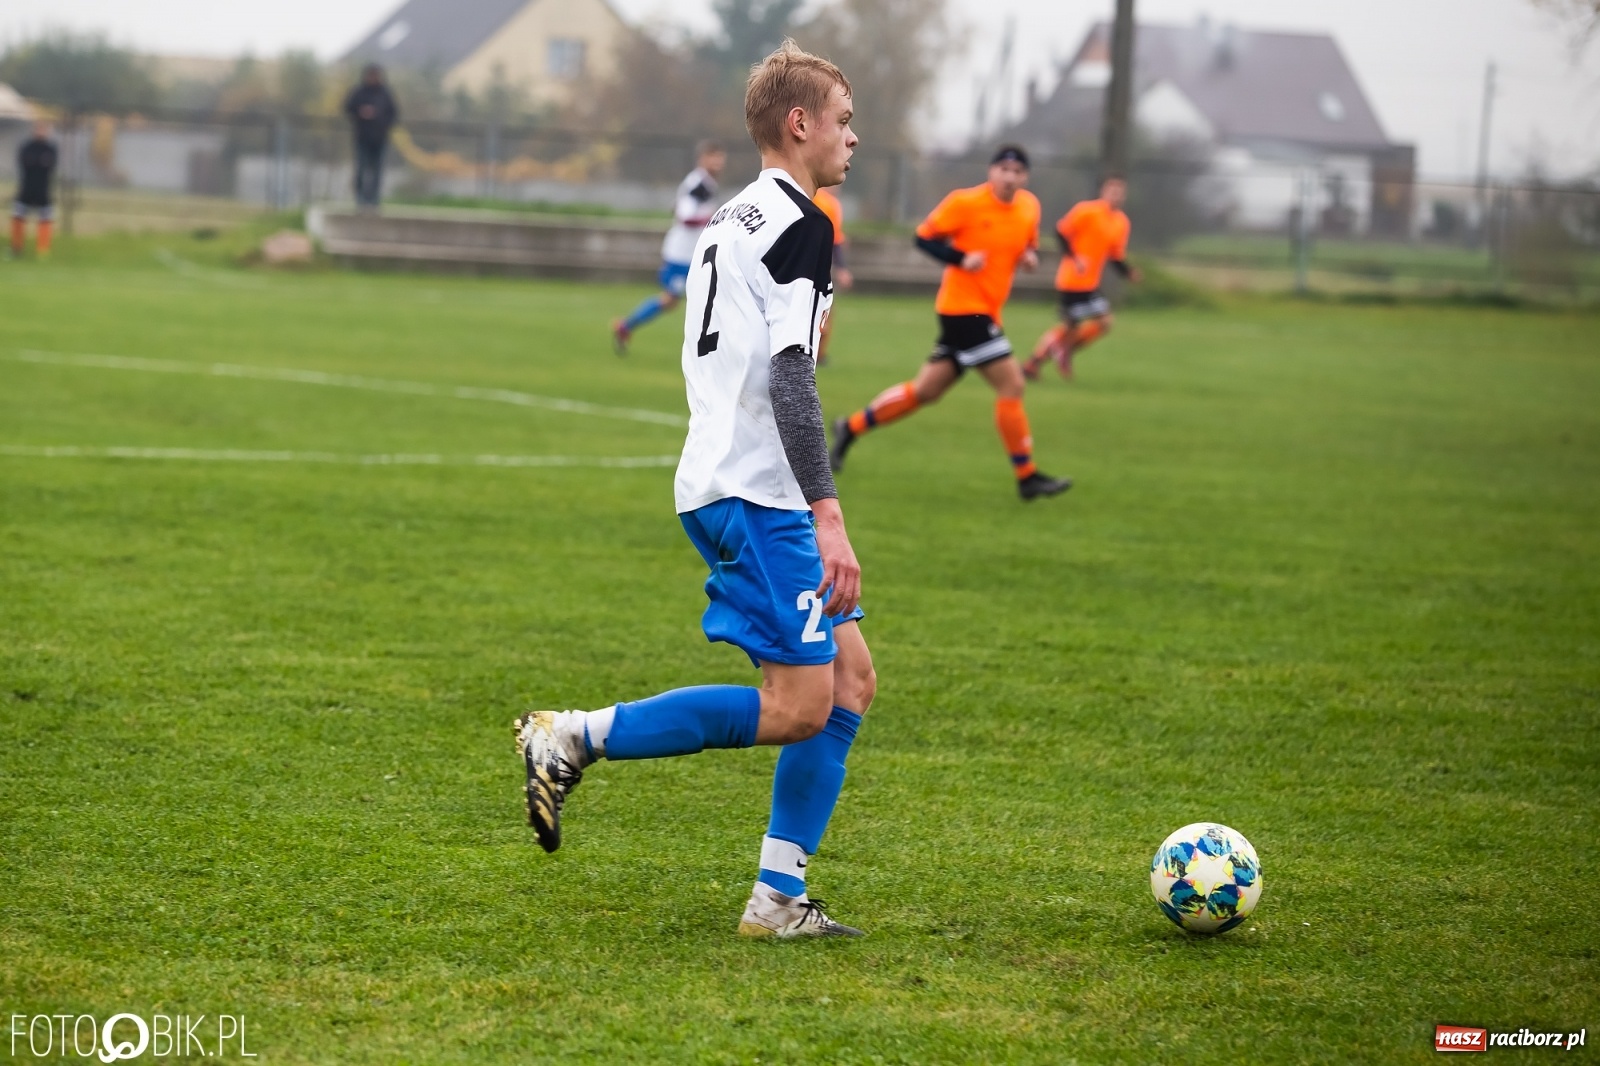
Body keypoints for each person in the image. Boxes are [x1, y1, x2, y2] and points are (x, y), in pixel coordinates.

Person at [518, 40, 874, 939]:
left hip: (725, 478)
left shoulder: (734, 218)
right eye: (843, 120)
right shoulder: (803, 223)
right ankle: (572, 736)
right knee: (804, 705)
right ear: (800, 125)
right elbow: (794, 377)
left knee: (852, 679)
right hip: (758, 493)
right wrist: (828, 515)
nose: (853, 138)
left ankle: (777, 898)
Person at [828, 146, 1072, 502]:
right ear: (991, 172)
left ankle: (849, 428)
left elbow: (1027, 244)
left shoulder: (1029, 208)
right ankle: (1027, 477)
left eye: (1017, 171)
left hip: (987, 311)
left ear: (1025, 178)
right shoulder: (965, 203)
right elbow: (923, 237)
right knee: (1012, 385)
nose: (1009, 176)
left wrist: (1028, 256)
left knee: (925, 391)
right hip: (962, 309)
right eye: (1002, 169)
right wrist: (960, 257)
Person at [612, 141, 728, 354]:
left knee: (692, 297)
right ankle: (626, 326)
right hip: (680, 254)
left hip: (692, 253)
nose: (718, 162)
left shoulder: (706, 183)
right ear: (702, 159)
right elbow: (685, 217)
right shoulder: (698, 184)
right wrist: (711, 220)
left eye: (720, 157)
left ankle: (712, 346)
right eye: (713, 157)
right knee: (675, 298)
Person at [1024, 176, 1141, 381]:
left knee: (1086, 326)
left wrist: (1128, 272)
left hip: (1090, 283)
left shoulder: (1121, 222)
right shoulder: (1086, 211)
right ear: (1103, 191)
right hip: (1072, 280)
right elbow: (1061, 232)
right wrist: (1075, 258)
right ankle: (1042, 359)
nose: (1117, 196)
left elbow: (1115, 255)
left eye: (1120, 192)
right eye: (1112, 191)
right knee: (1081, 326)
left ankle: (1040, 360)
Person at [343, 65, 398, 208]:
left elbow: (393, 114)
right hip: (362, 138)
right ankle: (360, 198)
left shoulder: (385, 94)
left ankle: (373, 199)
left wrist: (378, 117)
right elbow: (348, 108)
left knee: (377, 171)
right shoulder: (359, 92)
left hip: (380, 139)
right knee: (361, 169)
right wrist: (361, 113)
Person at [812, 184, 853, 366]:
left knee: (823, 310)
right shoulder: (824, 202)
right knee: (822, 310)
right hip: (814, 264)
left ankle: (817, 355)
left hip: (816, 263)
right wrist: (842, 268)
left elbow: (835, 239)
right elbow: (835, 241)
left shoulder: (827, 201)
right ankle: (816, 355)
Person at [10, 121, 57, 261]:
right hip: (26, 188)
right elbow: (25, 163)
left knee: (46, 217)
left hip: (43, 189)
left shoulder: (50, 148)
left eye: (44, 130)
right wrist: (38, 162)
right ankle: (16, 248)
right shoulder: (27, 147)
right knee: (18, 214)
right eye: (39, 129)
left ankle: (43, 250)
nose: (41, 132)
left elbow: (49, 165)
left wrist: (37, 163)